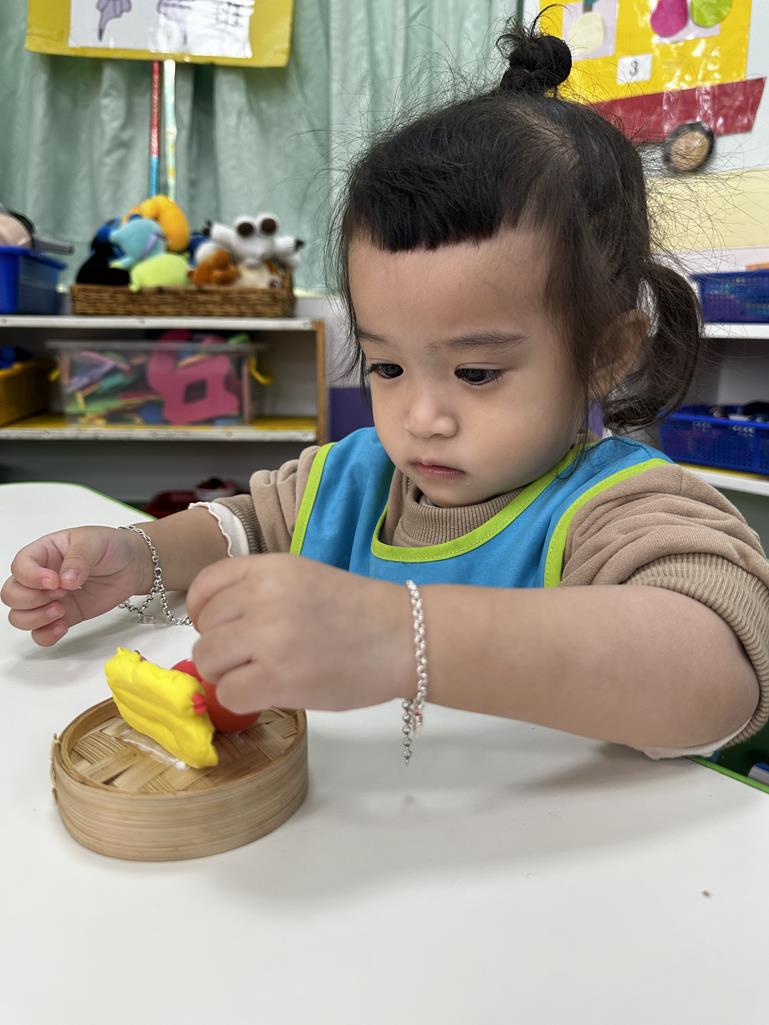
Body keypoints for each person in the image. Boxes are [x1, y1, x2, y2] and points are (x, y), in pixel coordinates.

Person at [3, 20, 768, 763]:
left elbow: (718, 674)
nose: (421, 419)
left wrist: (403, 636)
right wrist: (138, 556)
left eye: (476, 373)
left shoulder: (618, 509)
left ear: (604, 354)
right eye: (386, 367)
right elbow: (243, 528)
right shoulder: (352, 478)